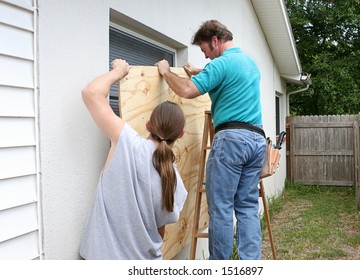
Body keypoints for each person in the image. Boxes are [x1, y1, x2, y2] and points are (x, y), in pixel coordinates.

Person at [156, 20, 266, 260]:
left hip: (232, 141)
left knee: (222, 209)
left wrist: (165, 72)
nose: (206, 57)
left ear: (215, 40)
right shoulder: (249, 63)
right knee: (247, 206)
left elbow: (186, 91)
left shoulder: (221, 64)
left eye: (205, 50)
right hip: (257, 140)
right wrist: (199, 72)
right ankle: (251, 264)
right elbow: (224, 80)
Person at [79, 59, 187, 260]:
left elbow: (91, 92)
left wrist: (119, 71)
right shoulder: (174, 179)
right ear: (180, 135)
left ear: (148, 125)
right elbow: (160, 232)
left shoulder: (127, 143)